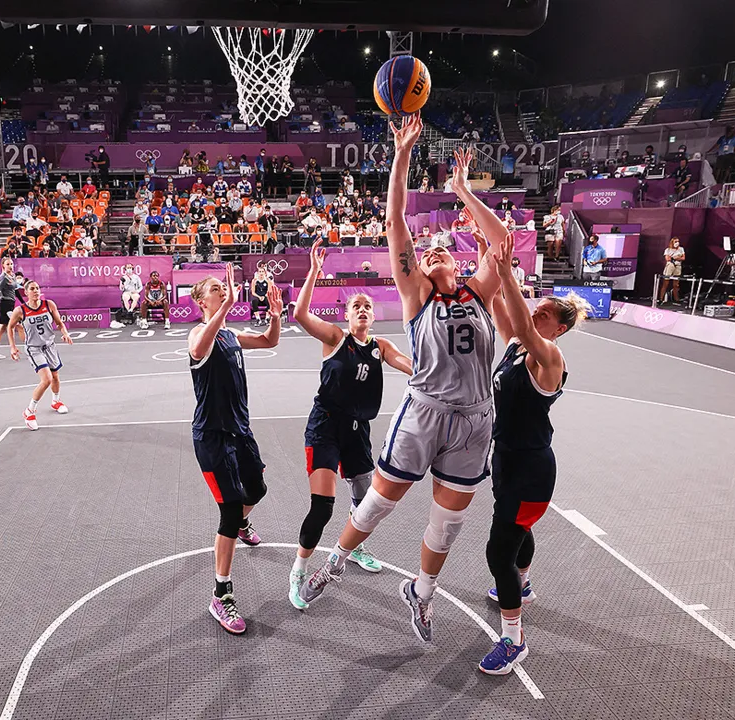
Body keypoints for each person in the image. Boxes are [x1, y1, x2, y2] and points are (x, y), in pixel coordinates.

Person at [300, 122, 509, 646]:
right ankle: (336, 562)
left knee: (447, 524)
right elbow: (395, 219)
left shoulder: (480, 292)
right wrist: (402, 154)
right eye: (427, 252)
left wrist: (463, 191)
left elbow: (501, 242)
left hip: (476, 419)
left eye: (443, 251)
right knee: (379, 500)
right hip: (426, 411)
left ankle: (423, 591)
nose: (434, 253)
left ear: (459, 262)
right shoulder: (417, 296)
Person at [479, 233, 586, 675]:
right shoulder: (516, 348)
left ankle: (513, 640)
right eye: (535, 307)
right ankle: (521, 587)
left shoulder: (550, 358)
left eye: (543, 312)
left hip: (531, 469)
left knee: (496, 553)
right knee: (517, 531)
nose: (534, 311)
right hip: (506, 459)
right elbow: (502, 308)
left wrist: (507, 272)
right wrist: (493, 262)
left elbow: (521, 321)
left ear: (557, 328)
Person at [288, 240, 412, 610]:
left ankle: (355, 549)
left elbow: (412, 365)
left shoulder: (382, 347)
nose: (362, 309)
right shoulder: (335, 338)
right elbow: (299, 314)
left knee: (364, 503)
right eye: (356, 306)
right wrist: (313, 271)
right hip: (325, 426)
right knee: (323, 506)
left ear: (373, 316)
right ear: (347, 314)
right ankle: (298, 571)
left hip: (358, 431)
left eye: (367, 306)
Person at [187, 264, 283, 634]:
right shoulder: (200, 333)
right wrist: (225, 308)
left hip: (240, 431)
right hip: (212, 437)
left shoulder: (231, 334)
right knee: (227, 511)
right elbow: (198, 347)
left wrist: (274, 317)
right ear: (201, 302)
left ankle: (243, 522)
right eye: (215, 288)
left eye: (222, 287)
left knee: (257, 489)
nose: (222, 291)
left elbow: (270, 341)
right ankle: (220, 594)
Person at [7, 280, 73, 430]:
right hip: (34, 348)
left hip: (49, 346)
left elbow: (59, 323)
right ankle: (29, 411)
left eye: (37, 288)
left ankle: (56, 401)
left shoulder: (49, 304)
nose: (36, 291)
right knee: (47, 379)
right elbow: (10, 328)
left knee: (55, 376)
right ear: (26, 292)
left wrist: (65, 333)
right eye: (32, 289)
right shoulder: (20, 310)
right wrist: (12, 347)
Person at [0, 257, 19, 359]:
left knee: (2, 327)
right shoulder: (3, 278)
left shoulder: (13, 276)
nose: (10, 266)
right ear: (3, 266)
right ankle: (22, 348)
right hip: (5, 304)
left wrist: (25, 303)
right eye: (8, 264)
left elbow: (16, 291)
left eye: (11, 264)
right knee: (17, 325)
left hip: (11, 303)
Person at [112, 263, 143, 329]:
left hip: (134, 292)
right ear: (125, 269)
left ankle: (131, 310)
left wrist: (136, 291)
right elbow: (121, 288)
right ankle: (128, 310)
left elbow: (141, 287)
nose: (129, 269)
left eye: (130, 268)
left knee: (136, 297)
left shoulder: (136, 277)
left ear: (132, 269)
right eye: (127, 268)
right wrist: (122, 286)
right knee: (125, 298)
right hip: (126, 292)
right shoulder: (123, 278)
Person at [658, 237, 686, 305]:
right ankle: (661, 298)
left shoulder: (681, 249)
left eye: (678, 241)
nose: (677, 243)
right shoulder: (668, 250)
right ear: (672, 242)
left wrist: (677, 258)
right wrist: (674, 258)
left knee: (676, 284)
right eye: (675, 241)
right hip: (670, 265)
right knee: (666, 283)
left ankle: (676, 299)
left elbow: (683, 258)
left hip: (678, 266)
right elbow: (667, 258)